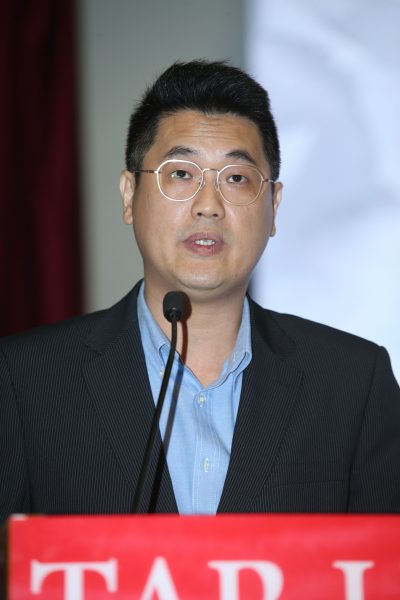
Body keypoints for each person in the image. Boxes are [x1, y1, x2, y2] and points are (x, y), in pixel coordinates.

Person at [1, 60, 399, 524]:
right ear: (129, 195)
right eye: (181, 174)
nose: (208, 206)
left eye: (236, 178)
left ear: (273, 207)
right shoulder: (24, 381)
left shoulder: (353, 383)